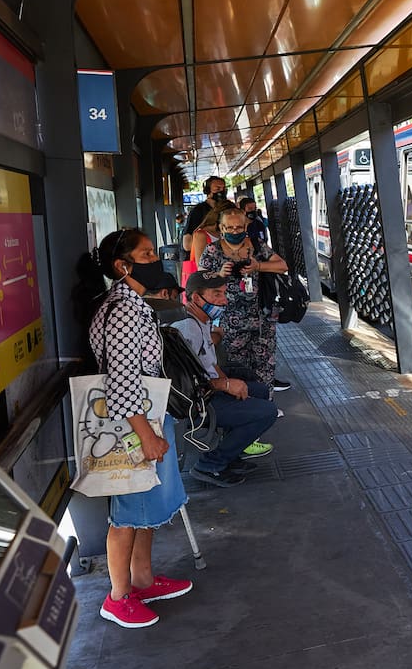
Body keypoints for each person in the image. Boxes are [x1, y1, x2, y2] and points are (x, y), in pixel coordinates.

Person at [74, 228, 193, 629]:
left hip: (147, 416)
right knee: (128, 512)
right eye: (146, 254)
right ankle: (118, 596)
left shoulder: (130, 303)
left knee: (145, 508)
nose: (156, 259)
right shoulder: (122, 311)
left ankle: (142, 579)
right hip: (132, 425)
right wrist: (146, 436)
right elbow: (121, 381)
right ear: (123, 266)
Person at [171, 272, 278, 486]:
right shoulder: (186, 329)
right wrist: (225, 385)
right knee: (267, 412)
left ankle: (232, 454)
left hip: (209, 392)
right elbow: (182, 382)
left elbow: (208, 363)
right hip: (198, 403)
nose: (224, 300)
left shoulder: (201, 321)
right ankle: (210, 464)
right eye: (216, 294)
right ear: (196, 298)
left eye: (224, 293)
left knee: (259, 391)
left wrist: (227, 380)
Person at [199, 207, 289, 389]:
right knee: (236, 367)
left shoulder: (257, 245)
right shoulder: (212, 250)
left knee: (265, 366)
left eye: (239, 228)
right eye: (229, 228)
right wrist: (219, 274)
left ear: (245, 226)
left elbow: (282, 265)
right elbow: (199, 281)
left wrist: (258, 266)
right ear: (221, 228)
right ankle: (246, 406)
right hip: (229, 322)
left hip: (262, 319)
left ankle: (266, 405)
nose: (234, 232)